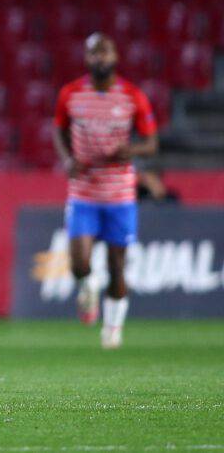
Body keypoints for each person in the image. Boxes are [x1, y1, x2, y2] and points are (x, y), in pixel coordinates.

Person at [53, 33, 158, 349]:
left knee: (117, 265)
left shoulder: (132, 96)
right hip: (84, 190)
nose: (100, 57)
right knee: (79, 262)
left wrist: (134, 150)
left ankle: (112, 328)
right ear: (86, 59)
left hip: (119, 194)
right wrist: (67, 158)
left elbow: (152, 142)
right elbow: (58, 129)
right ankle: (88, 284)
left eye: (105, 52)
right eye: (93, 53)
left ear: (115, 57)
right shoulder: (70, 94)